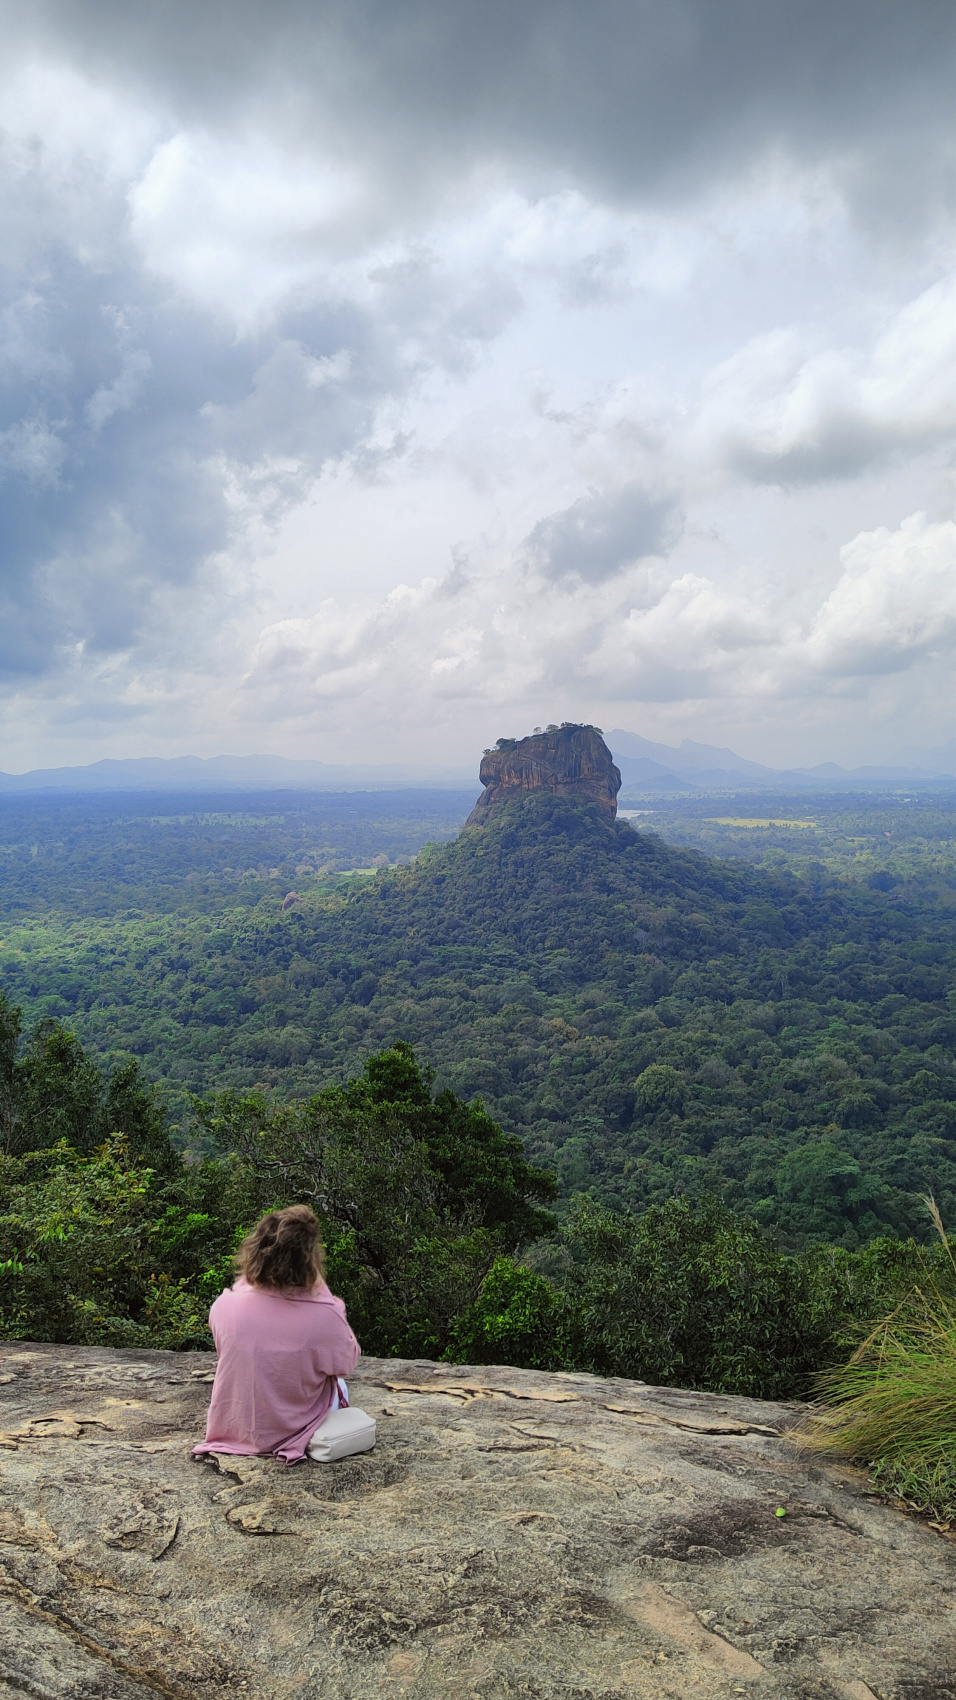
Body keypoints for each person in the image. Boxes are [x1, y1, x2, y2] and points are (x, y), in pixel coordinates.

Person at [192, 1205, 361, 1465]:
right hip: (295, 1431)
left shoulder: (224, 1306)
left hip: (236, 1431)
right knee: (340, 1386)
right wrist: (324, 1295)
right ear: (310, 1260)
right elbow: (346, 1363)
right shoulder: (325, 1316)